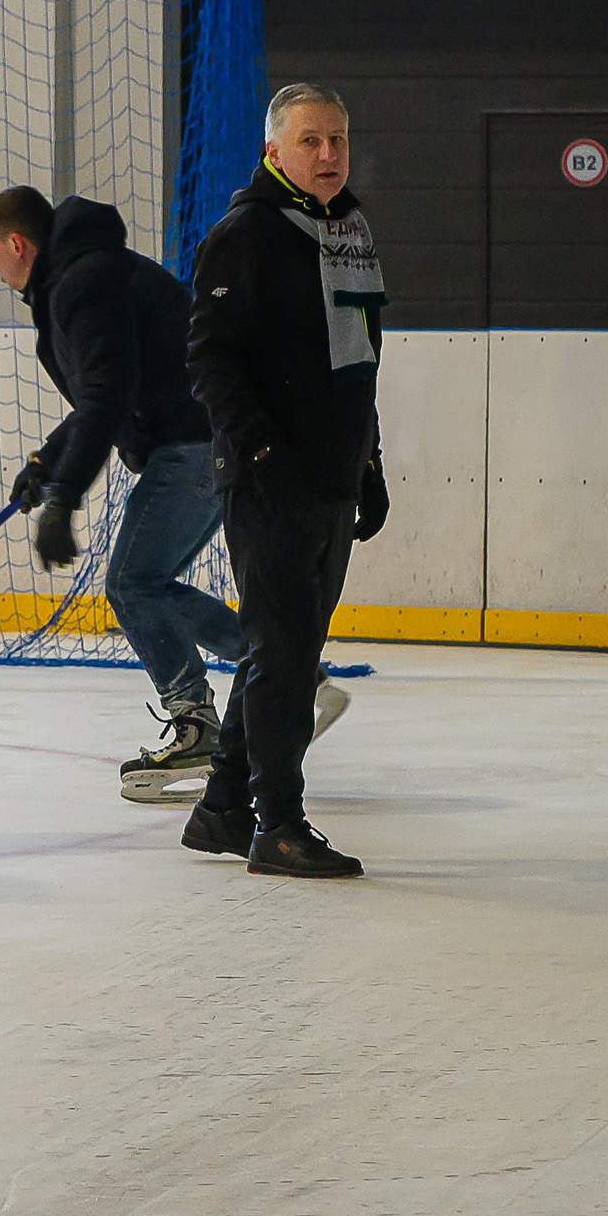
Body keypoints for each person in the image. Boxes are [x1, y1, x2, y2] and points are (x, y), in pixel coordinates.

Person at [0, 183, 280, 805]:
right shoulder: (81, 276)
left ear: (16, 243)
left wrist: (63, 497)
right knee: (151, 584)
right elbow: (107, 390)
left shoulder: (81, 285)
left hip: (196, 440)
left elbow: (108, 396)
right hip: (201, 435)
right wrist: (48, 460)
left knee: (131, 583)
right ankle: (279, 666)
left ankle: (199, 721)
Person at [181, 83, 392, 878]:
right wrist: (265, 455)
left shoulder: (349, 231)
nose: (329, 154)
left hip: (333, 477)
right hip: (271, 482)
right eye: (311, 141)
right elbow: (210, 359)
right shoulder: (247, 234)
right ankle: (278, 826)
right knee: (287, 654)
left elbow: (360, 363)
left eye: (337, 139)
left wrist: (368, 460)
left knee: (286, 651)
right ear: (275, 151)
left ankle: (223, 808)